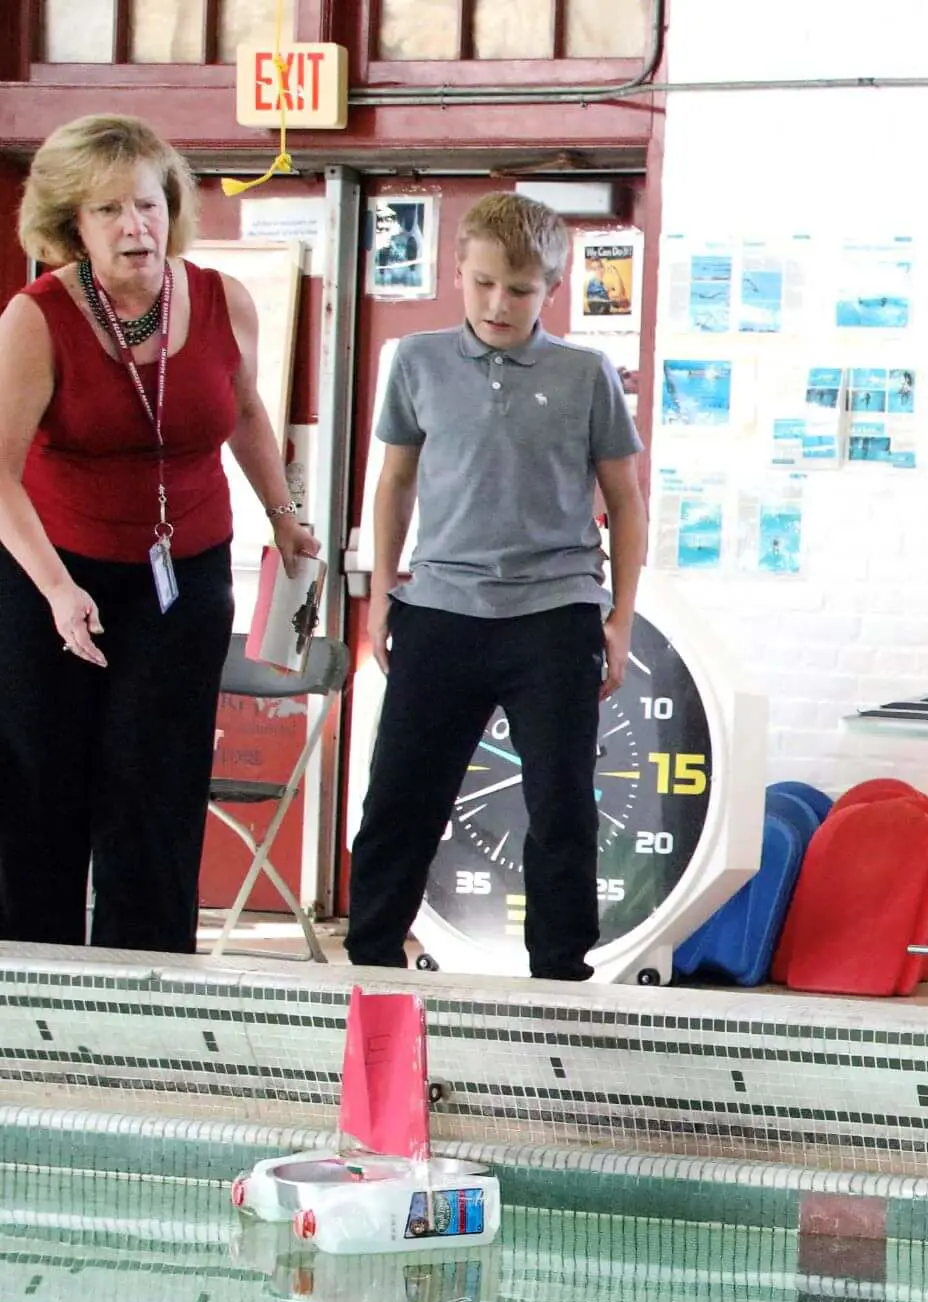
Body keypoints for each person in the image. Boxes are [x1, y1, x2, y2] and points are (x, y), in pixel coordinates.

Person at [0, 113, 319, 952]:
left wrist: (285, 519)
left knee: (156, 781)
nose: (134, 226)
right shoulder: (36, 320)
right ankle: (38, 982)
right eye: (108, 211)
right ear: (73, 224)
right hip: (53, 570)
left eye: (146, 204)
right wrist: (58, 589)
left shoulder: (220, 300)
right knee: (45, 783)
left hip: (185, 568)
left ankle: (147, 985)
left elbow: (248, 412)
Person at [345, 191, 646, 983]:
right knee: (400, 798)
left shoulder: (585, 375)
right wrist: (381, 596)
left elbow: (625, 499)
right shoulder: (415, 362)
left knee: (561, 807)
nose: (497, 304)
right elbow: (395, 482)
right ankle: (369, 960)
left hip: (554, 612)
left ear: (551, 285)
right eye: (481, 284)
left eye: (518, 289)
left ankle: (559, 972)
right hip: (441, 607)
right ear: (458, 272)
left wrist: (619, 619)